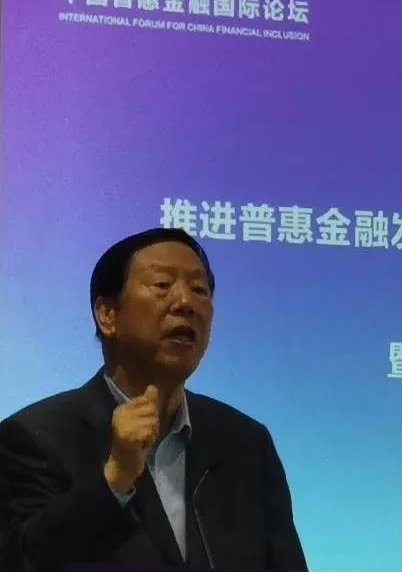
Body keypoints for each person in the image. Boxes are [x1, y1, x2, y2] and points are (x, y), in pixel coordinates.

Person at [0, 228, 307, 571]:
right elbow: (22, 560)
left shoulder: (245, 442)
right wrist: (114, 479)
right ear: (107, 315)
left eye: (199, 290)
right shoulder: (35, 438)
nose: (186, 303)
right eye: (163, 284)